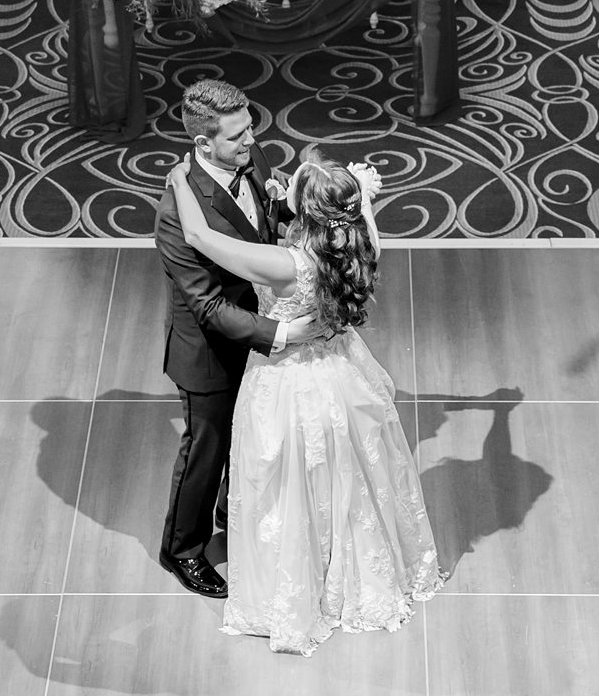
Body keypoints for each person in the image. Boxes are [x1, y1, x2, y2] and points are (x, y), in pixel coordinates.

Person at [166, 141, 442, 653]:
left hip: (288, 378)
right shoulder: (359, 241)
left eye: (292, 181)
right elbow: (355, 218)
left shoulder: (285, 265)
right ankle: (344, 564)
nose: (283, 181)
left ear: (307, 208)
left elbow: (198, 236)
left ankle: (299, 576)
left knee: (287, 477)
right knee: (343, 473)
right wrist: (362, 197)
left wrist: (181, 181)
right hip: (341, 369)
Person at [153, 79, 324, 602]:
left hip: (255, 319)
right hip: (208, 349)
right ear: (204, 144)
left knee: (251, 430)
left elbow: (261, 227)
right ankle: (182, 550)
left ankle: (234, 510)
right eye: (236, 137)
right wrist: (282, 333)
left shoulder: (251, 155)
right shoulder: (175, 213)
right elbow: (205, 304)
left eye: (250, 128)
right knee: (208, 448)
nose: (251, 142)